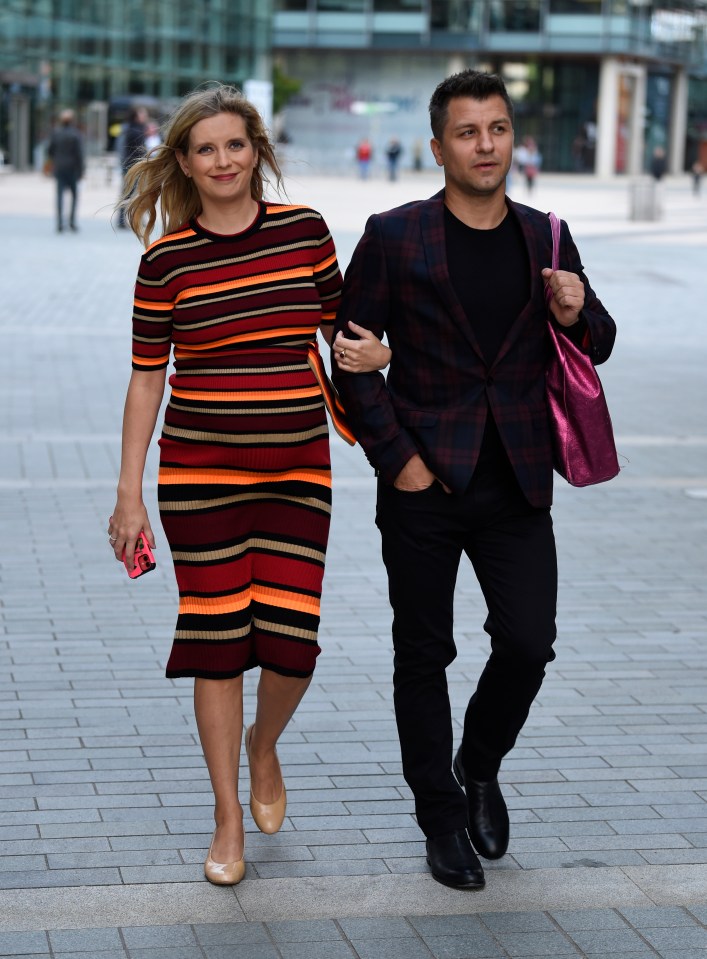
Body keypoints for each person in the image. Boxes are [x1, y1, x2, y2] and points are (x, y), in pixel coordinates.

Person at [332, 69, 615, 891]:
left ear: (511, 137)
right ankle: (440, 817)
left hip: (518, 484)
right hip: (424, 486)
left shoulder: (547, 236)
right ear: (437, 146)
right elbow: (350, 358)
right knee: (422, 653)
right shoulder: (394, 235)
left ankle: (478, 759)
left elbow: (595, 341)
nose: (485, 144)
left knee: (528, 642)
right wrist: (400, 460)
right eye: (467, 132)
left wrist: (573, 309)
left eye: (496, 129)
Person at [108, 84, 390, 887]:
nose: (223, 160)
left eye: (235, 145)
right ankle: (227, 814)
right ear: (185, 163)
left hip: (298, 471)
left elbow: (341, 330)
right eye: (205, 149)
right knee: (219, 644)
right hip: (197, 478)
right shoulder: (163, 261)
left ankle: (264, 745)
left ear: (256, 151)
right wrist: (128, 493)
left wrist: (378, 356)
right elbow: (143, 381)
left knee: (292, 642)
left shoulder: (305, 233)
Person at [47, 109, 85, 233]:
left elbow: (49, 150)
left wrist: (56, 159)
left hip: (59, 167)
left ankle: (59, 222)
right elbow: (79, 154)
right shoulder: (75, 134)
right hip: (72, 168)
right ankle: (72, 221)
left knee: (59, 195)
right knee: (74, 195)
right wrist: (81, 170)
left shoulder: (56, 133)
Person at [117, 107, 147, 227]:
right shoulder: (136, 131)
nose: (145, 117)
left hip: (128, 165)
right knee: (133, 193)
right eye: (142, 114)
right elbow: (140, 150)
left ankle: (124, 219)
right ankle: (131, 219)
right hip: (134, 165)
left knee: (128, 193)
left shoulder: (128, 129)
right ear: (136, 116)